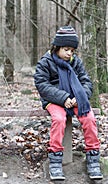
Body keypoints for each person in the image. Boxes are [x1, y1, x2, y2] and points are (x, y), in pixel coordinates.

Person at [34, 26, 103, 181]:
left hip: (76, 99)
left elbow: (86, 81)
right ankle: (56, 162)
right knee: (59, 120)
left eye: (72, 50)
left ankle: (93, 159)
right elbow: (42, 85)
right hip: (54, 100)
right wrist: (63, 98)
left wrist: (81, 97)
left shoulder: (75, 62)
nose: (69, 53)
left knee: (89, 118)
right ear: (57, 47)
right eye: (66, 49)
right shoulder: (46, 62)